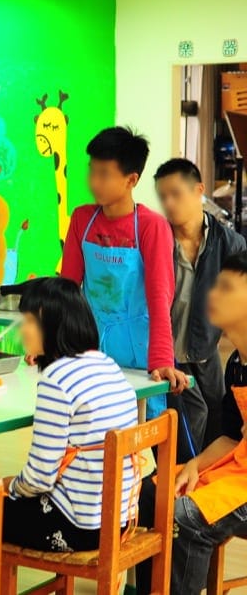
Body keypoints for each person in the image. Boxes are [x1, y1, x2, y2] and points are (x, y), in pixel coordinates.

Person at [0, 277, 140, 583]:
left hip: (78, 525)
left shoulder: (57, 380)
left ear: (51, 324)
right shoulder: (107, 365)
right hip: (119, 520)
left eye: (29, 321)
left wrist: (9, 487)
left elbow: (40, 477)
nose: (22, 329)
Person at [136, 252, 247, 594]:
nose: (212, 295)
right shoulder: (236, 364)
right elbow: (232, 437)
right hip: (237, 469)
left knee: (187, 515)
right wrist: (195, 466)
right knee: (150, 493)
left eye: (226, 288)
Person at [60, 126, 188, 418]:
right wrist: (53, 344)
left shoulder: (151, 227)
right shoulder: (82, 219)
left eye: (104, 174)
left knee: (137, 432)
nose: (93, 181)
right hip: (90, 350)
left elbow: (160, 299)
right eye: (92, 171)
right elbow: (67, 291)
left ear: (132, 179)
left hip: (138, 354)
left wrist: (161, 360)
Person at [154, 158, 246, 460]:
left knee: (220, 417)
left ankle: (205, 477)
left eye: (175, 194)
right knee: (192, 419)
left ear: (199, 191)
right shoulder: (158, 241)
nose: (168, 203)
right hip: (169, 353)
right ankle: (180, 478)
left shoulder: (229, 243)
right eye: (163, 196)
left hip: (206, 349)